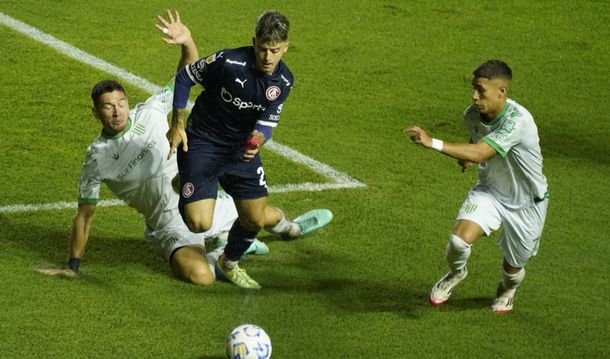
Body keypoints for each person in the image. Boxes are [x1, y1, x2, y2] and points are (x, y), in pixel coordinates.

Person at [38, 11, 326, 286]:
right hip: (167, 222)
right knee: (203, 276)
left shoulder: (149, 112)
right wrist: (72, 265)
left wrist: (187, 42)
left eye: (121, 103)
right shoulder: (96, 157)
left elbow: (185, 76)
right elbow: (84, 216)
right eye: (108, 107)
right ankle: (223, 248)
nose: (117, 112)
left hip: (197, 190)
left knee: (262, 215)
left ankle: (291, 229)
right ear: (96, 113)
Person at [165, 10, 332, 289]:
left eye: (275, 51)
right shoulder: (227, 62)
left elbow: (267, 123)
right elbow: (184, 78)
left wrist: (259, 139)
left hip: (240, 150)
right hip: (203, 142)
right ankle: (190, 179)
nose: (267, 57)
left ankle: (228, 263)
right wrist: (178, 122)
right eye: (263, 49)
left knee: (253, 219)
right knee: (199, 223)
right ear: (254, 42)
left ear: (286, 47)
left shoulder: (284, 82)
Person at [405, 60, 549, 312]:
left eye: (481, 90)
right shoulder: (471, 115)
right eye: (473, 88)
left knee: (514, 267)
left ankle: (507, 288)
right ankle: (456, 273)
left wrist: (433, 143)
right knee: (457, 242)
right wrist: (465, 157)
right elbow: (475, 142)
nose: (474, 96)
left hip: (527, 202)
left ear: (501, 91)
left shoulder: (518, 121)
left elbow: (482, 151)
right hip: (490, 191)